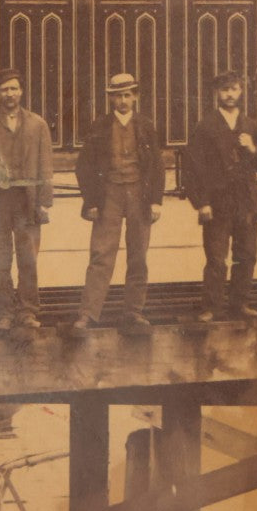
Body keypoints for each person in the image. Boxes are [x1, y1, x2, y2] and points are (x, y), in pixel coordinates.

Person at [73, 73, 164, 334]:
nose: (122, 100)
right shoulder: (99, 126)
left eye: (127, 95)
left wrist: (156, 201)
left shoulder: (146, 126)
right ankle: (88, 314)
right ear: (111, 98)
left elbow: (157, 165)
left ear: (135, 97)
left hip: (139, 195)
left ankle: (133, 312)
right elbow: (84, 165)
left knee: (138, 254)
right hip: (109, 194)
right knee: (102, 254)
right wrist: (91, 200)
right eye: (117, 96)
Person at [0, 68, 54, 332]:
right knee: (0, 260)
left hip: (28, 200)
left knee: (28, 258)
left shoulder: (37, 125)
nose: (10, 94)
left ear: (21, 91)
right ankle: (3, 313)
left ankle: (28, 311)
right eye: (4, 89)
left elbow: (46, 165)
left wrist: (45, 202)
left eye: (14, 88)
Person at [186, 71, 257, 320]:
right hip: (218, 203)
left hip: (246, 202)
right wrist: (202, 203)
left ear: (241, 91)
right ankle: (211, 307)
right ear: (217, 93)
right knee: (216, 258)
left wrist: (252, 147)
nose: (230, 94)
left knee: (247, 256)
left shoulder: (252, 126)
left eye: (234, 89)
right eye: (225, 90)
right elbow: (193, 168)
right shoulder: (205, 126)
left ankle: (240, 304)